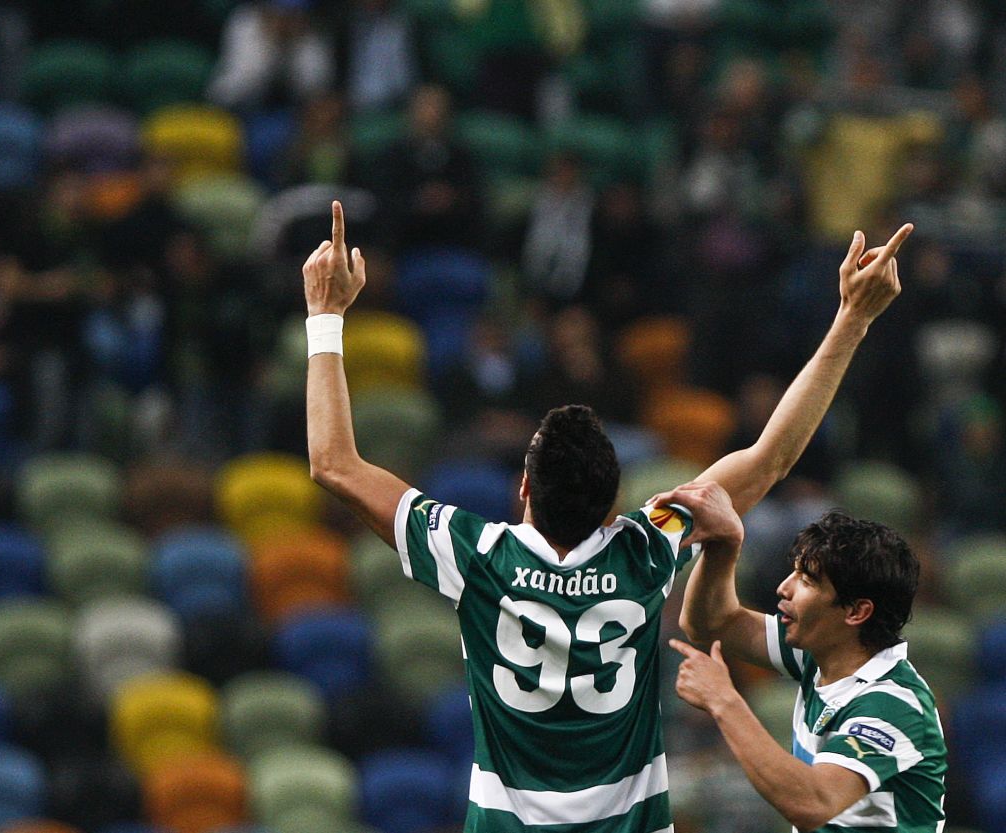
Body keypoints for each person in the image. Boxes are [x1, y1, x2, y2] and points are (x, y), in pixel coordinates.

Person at [302, 200, 911, 832]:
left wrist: (325, 316)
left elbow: (334, 465)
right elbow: (771, 457)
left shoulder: (475, 553)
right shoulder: (648, 545)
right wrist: (851, 321)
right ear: (615, 506)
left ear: (523, 492)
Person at [664, 483, 946, 833]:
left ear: (857, 612)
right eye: (794, 571)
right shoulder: (818, 654)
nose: (784, 587)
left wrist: (724, 700)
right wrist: (725, 544)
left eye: (807, 580)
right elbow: (709, 622)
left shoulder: (892, 703)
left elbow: (813, 804)